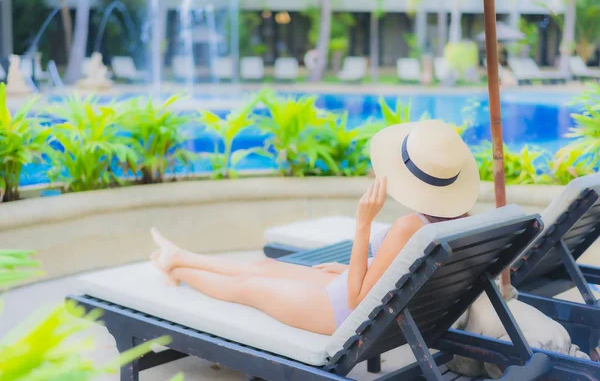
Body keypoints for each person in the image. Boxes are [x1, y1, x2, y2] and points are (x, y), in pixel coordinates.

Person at [150, 119, 480, 335]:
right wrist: (354, 269)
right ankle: (179, 255)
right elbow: (401, 272)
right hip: (367, 298)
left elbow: (356, 303)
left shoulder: (409, 225)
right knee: (265, 266)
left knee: (246, 287)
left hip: (341, 315)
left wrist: (363, 223)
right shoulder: (459, 222)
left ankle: (176, 268)